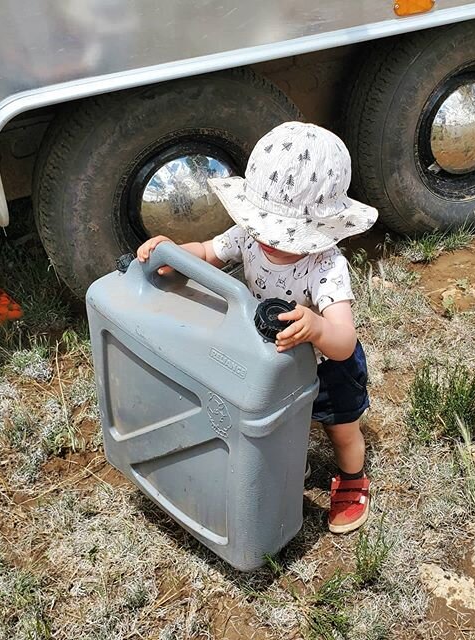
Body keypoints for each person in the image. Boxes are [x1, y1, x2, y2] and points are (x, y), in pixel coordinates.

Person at [136, 122, 378, 534]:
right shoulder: (250, 237)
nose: (266, 238)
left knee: (341, 430)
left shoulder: (325, 267)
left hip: (324, 365)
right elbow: (209, 252)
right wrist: (173, 253)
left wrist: (317, 327)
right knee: (280, 425)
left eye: (280, 232)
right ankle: (286, 465)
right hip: (269, 359)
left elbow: (343, 341)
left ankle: (352, 481)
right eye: (261, 223)